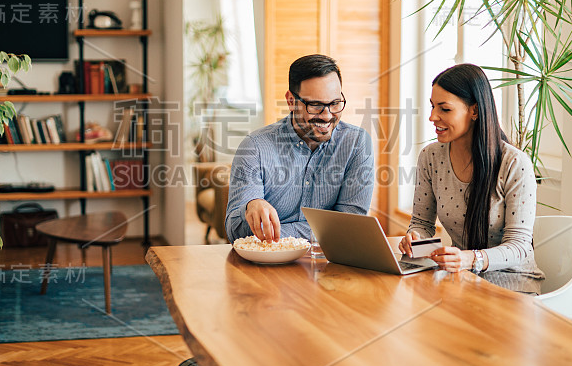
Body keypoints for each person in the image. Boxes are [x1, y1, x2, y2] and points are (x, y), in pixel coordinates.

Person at [398, 63, 545, 294]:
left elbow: (519, 248)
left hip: (513, 285)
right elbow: (422, 224)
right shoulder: (430, 157)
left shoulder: (514, 164)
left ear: (474, 111)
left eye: (444, 109)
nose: (432, 117)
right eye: (432, 106)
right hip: (462, 281)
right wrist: (415, 239)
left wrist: (471, 259)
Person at [225, 54, 374, 243]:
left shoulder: (356, 143)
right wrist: (250, 207)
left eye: (335, 103)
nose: (327, 115)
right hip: (265, 267)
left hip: (329, 267)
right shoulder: (255, 147)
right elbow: (236, 233)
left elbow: (350, 227)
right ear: (290, 101)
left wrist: (275, 234)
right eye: (315, 105)